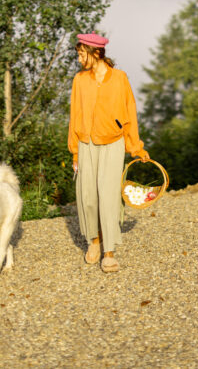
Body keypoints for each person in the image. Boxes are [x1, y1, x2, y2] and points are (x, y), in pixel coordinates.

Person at [68, 33, 149, 273]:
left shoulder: (120, 78)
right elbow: (74, 116)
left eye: (82, 54)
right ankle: (94, 240)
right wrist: (75, 152)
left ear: (96, 53)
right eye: (78, 55)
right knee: (87, 196)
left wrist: (136, 147)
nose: (79, 59)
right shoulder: (79, 80)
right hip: (86, 143)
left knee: (109, 196)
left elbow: (129, 113)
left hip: (114, 143)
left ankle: (109, 251)